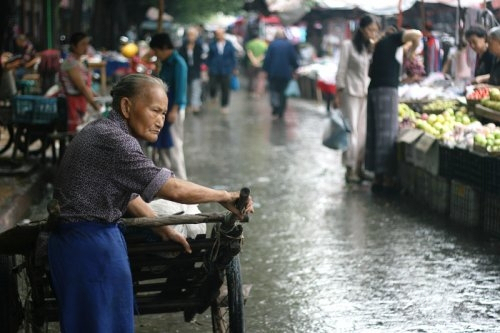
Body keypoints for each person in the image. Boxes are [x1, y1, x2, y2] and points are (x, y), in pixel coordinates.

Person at [47, 73, 254, 333]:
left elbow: (131, 196)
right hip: (88, 247)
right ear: (126, 106)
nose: (160, 121)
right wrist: (225, 196)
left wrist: (162, 228)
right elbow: (172, 189)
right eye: (155, 110)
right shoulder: (114, 140)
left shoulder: (103, 131)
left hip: (93, 243)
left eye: (164, 113)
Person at [365, 27, 422, 193]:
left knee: (375, 133)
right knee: (387, 135)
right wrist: (412, 49)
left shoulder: (381, 47)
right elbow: (417, 34)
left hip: (374, 89)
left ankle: (377, 177)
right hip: (386, 91)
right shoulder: (392, 40)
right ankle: (387, 179)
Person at [335, 15, 379, 184]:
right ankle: (349, 168)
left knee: (362, 133)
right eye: (370, 30)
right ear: (361, 29)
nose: (373, 33)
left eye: (375, 30)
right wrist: (338, 95)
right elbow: (341, 70)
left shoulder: (369, 48)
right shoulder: (348, 46)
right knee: (351, 132)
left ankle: (359, 167)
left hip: (364, 93)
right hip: (349, 93)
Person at [149, 32, 188, 180]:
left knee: (175, 147)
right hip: (165, 110)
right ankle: (167, 181)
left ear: (164, 48)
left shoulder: (178, 63)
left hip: (173, 110)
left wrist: (174, 110)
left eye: (157, 51)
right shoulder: (164, 63)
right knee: (164, 147)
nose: (157, 55)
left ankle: (181, 181)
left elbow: (181, 89)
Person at [59, 32, 100, 132]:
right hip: (72, 104)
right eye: (82, 44)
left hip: (80, 103)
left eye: (87, 44)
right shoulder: (70, 63)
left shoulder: (79, 62)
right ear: (74, 46)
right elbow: (82, 87)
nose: (86, 47)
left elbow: (87, 86)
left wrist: (97, 97)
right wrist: (96, 107)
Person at [262, 28, 299, 119]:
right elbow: (293, 59)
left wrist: (265, 70)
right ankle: (281, 111)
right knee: (283, 92)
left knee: (273, 90)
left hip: (273, 73)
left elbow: (267, 59)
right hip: (285, 73)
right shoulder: (289, 45)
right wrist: (295, 68)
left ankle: (275, 107)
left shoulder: (272, 45)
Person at [206, 27, 238, 114]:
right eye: (217, 34)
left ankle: (224, 105)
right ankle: (213, 96)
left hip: (226, 70)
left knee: (225, 89)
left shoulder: (229, 44)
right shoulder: (212, 44)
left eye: (221, 34)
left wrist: (234, 67)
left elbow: (233, 57)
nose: (219, 36)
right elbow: (209, 57)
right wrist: (207, 67)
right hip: (214, 69)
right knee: (212, 85)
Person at [179, 26, 204, 113]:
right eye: (189, 35)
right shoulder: (183, 46)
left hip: (196, 70)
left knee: (196, 88)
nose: (191, 37)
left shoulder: (200, 46)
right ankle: (187, 104)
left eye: (193, 35)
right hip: (185, 70)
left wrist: (203, 71)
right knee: (186, 88)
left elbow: (202, 59)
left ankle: (195, 105)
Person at [245, 34, 268, 98]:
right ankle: (258, 93)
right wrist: (258, 60)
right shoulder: (264, 44)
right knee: (260, 79)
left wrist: (253, 60)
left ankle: (251, 92)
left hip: (251, 64)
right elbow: (264, 54)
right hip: (261, 64)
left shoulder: (249, 43)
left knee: (251, 78)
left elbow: (249, 53)